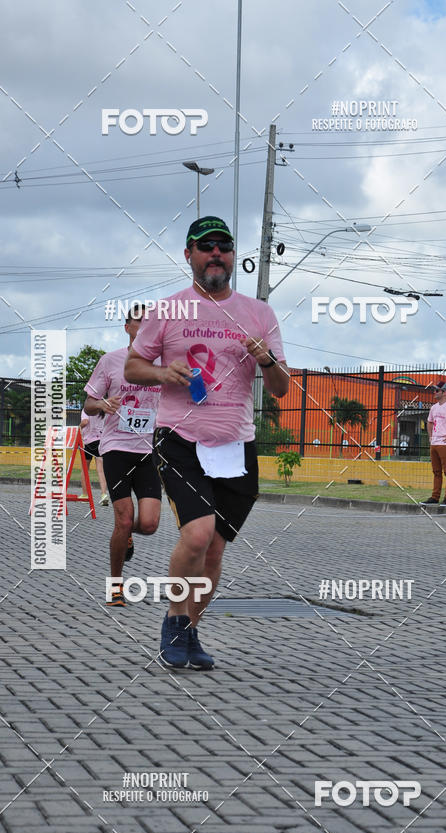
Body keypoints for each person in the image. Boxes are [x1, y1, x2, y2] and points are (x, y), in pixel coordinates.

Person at [125, 215, 289, 670]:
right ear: (189, 255)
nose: (215, 253)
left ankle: (191, 630)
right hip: (180, 437)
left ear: (233, 256)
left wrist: (267, 359)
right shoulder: (169, 309)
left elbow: (280, 388)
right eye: (205, 246)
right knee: (196, 536)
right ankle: (175, 622)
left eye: (223, 246)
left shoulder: (259, 313)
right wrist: (162, 372)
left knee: (215, 549)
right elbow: (133, 368)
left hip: (235, 444)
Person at [84, 308, 162, 606]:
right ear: (127, 327)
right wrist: (103, 403)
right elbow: (89, 404)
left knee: (151, 524)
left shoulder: (161, 363)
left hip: (148, 451)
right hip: (116, 447)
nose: (145, 325)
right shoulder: (110, 361)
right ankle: (116, 587)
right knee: (124, 517)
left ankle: (126, 533)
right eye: (139, 320)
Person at [79, 408, 109, 505]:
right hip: (100, 441)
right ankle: (104, 494)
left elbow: (85, 421)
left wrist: (78, 428)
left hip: (88, 442)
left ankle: (85, 494)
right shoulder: (102, 410)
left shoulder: (87, 410)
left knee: (85, 469)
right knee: (101, 470)